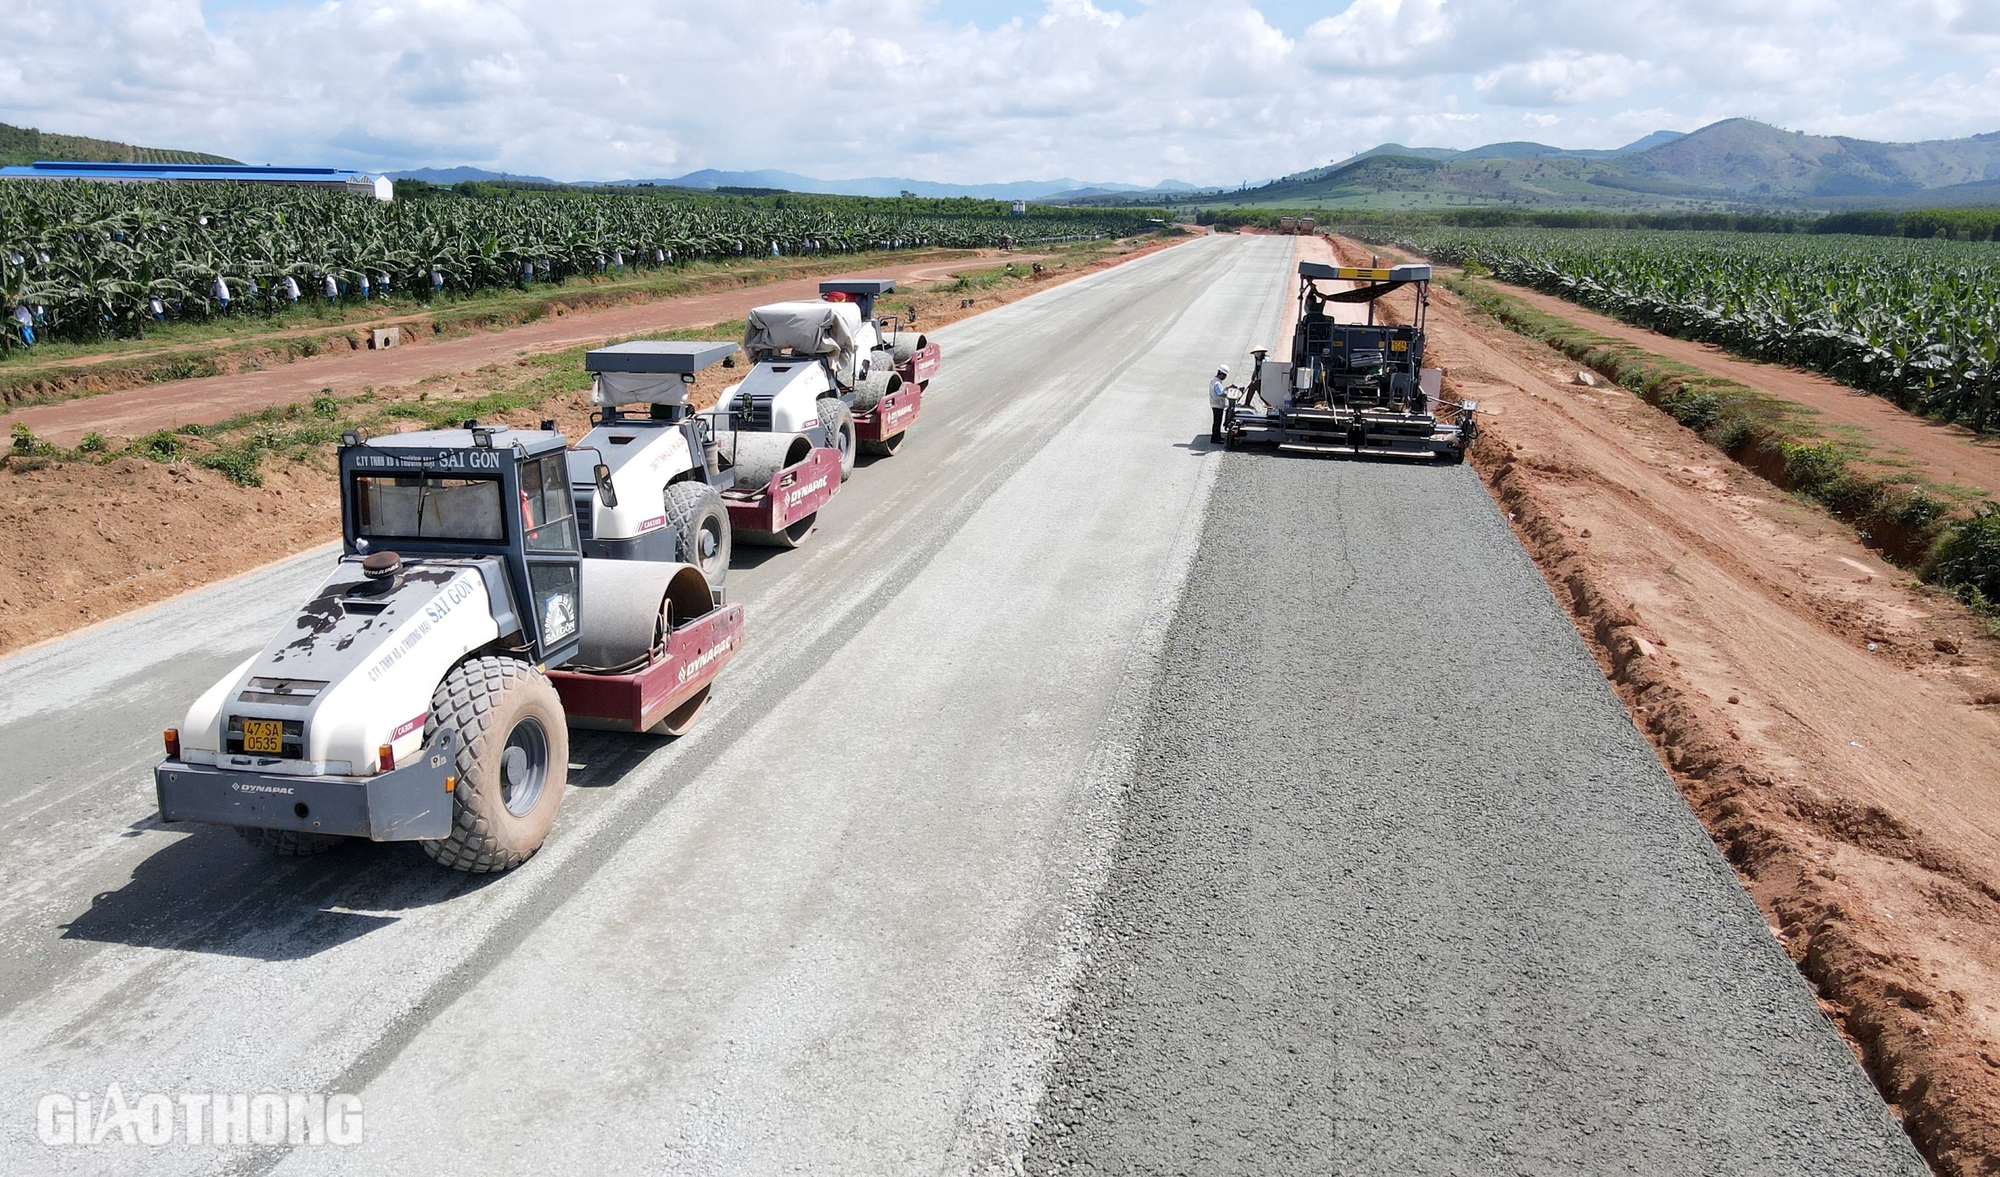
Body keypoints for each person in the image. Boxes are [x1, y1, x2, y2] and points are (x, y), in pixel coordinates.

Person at [1209, 365, 1230, 443]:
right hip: (1217, 404)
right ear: (1222, 374)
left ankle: (1217, 436)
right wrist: (1228, 394)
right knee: (1217, 422)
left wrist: (1226, 389)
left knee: (1217, 421)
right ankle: (1215, 438)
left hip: (1215, 404)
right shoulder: (1217, 383)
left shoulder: (1214, 381)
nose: (1225, 377)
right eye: (1225, 376)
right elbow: (1220, 393)